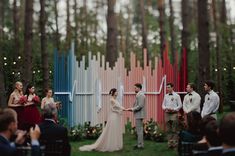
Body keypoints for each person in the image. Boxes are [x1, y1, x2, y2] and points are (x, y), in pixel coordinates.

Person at [126, 83, 146, 149]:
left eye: (135, 88)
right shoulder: (139, 94)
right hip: (139, 114)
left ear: (139, 88)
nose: (134, 89)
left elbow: (140, 106)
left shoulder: (140, 95)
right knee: (139, 130)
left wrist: (132, 109)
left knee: (139, 130)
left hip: (139, 114)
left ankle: (140, 145)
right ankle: (140, 144)